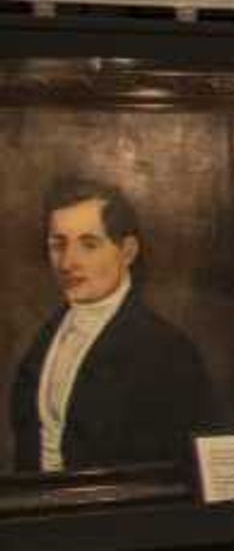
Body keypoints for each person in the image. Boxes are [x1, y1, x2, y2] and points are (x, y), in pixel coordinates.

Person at [15, 178, 213, 473]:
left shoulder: (167, 351)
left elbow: (169, 475)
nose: (68, 263)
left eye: (89, 244)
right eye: (58, 245)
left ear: (128, 251)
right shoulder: (46, 336)